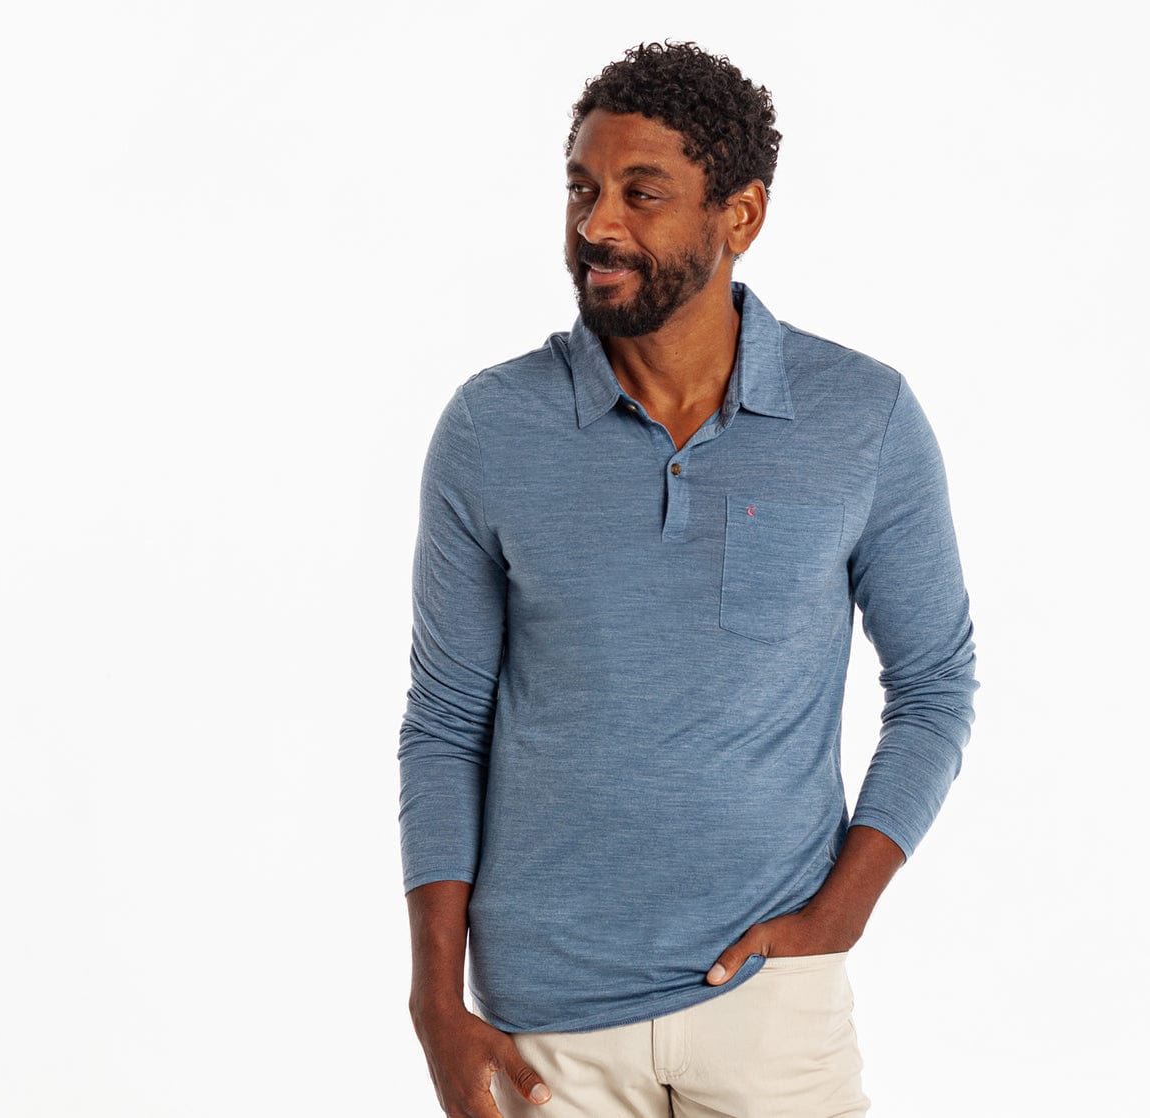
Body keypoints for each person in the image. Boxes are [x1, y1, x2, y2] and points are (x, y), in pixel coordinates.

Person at [399, 40, 979, 1117]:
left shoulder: (862, 416)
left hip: (772, 1005)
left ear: (740, 216)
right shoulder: (491, 427)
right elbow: (443, 722)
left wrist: (838, 917)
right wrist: (436, 999)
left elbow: (936, 686)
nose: (596, 225)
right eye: (581, 188)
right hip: (548, 1026)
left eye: (641, 193)